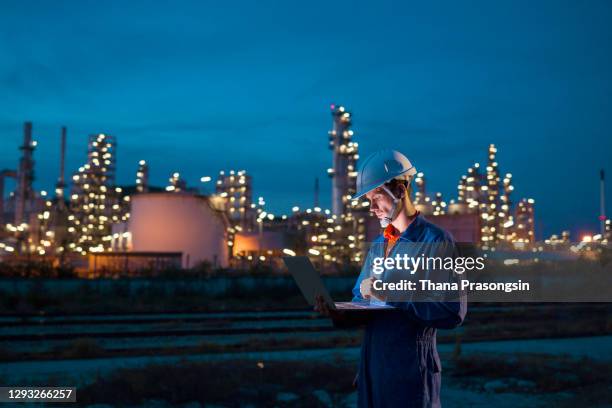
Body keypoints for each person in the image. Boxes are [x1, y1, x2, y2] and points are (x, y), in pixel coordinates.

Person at [316, 149, 467, 408]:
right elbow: (364, 304)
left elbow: (453, 311)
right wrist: (338, 313)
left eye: (376, 198)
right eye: (368, 201)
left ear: (399, 189)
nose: (372, 208)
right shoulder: (379, 245)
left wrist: (393, 294)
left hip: (410, 375)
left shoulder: (435, 242)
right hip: (374, 370)